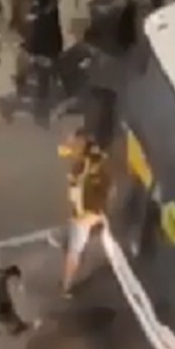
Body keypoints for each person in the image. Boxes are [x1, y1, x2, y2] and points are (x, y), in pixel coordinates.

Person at [0, 0, 62, 125]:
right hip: (36, 29)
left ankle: (36, 107)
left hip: (40, 29)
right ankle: (35, 107)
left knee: (39, 69)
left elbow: (8, 11)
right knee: (38, 69)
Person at [59, 127, 112, 296]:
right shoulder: (89, 165)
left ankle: (65, 242)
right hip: (86, 215)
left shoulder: (82, 165)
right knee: (75, 252)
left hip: (85, 214)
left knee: (76, 246)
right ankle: (66, 286)